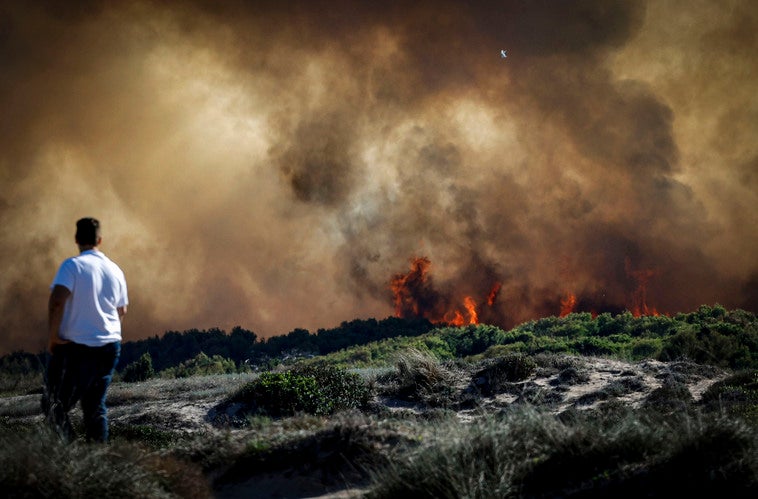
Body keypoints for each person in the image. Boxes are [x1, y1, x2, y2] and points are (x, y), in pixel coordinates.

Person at [42, 217, 128, 443]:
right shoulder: (115, 270)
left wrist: (52, 337)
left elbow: (57, 301)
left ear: (76, 239)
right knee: (94, 407)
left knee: (53, 404)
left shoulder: (72, 266)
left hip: (76, 348)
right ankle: (97, 461)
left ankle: (72, 452)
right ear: (100, 239)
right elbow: (122, 310)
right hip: (109, 346)